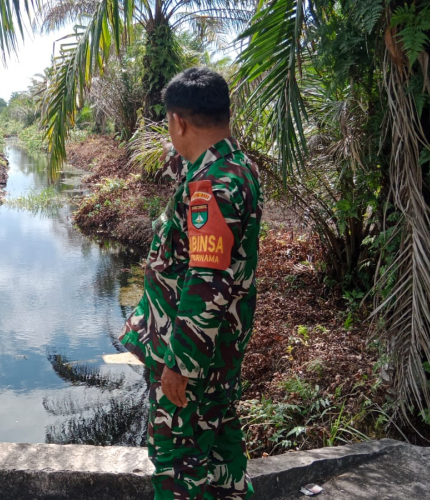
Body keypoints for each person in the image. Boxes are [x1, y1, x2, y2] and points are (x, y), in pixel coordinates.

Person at [120, 67, 263, 499]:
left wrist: (178, 365)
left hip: (192, 357)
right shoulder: (236, 167)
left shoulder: (211, 185)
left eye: (168, 123)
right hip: (218, 352)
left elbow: (206, 281)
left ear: (178, 122)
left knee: (176, 462)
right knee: (219, 454)